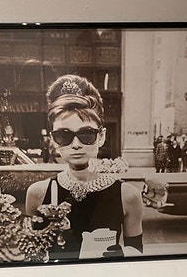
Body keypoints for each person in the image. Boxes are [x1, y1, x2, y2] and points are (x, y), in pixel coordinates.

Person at [25, 74, 143, 260]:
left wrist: (117, 255)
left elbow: (136, 253)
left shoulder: (128, 195)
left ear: (101, 136)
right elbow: (33, 257)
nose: (76, 145)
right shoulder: (37, 193)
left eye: (86, 134)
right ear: (54, 140)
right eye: (64, 135)